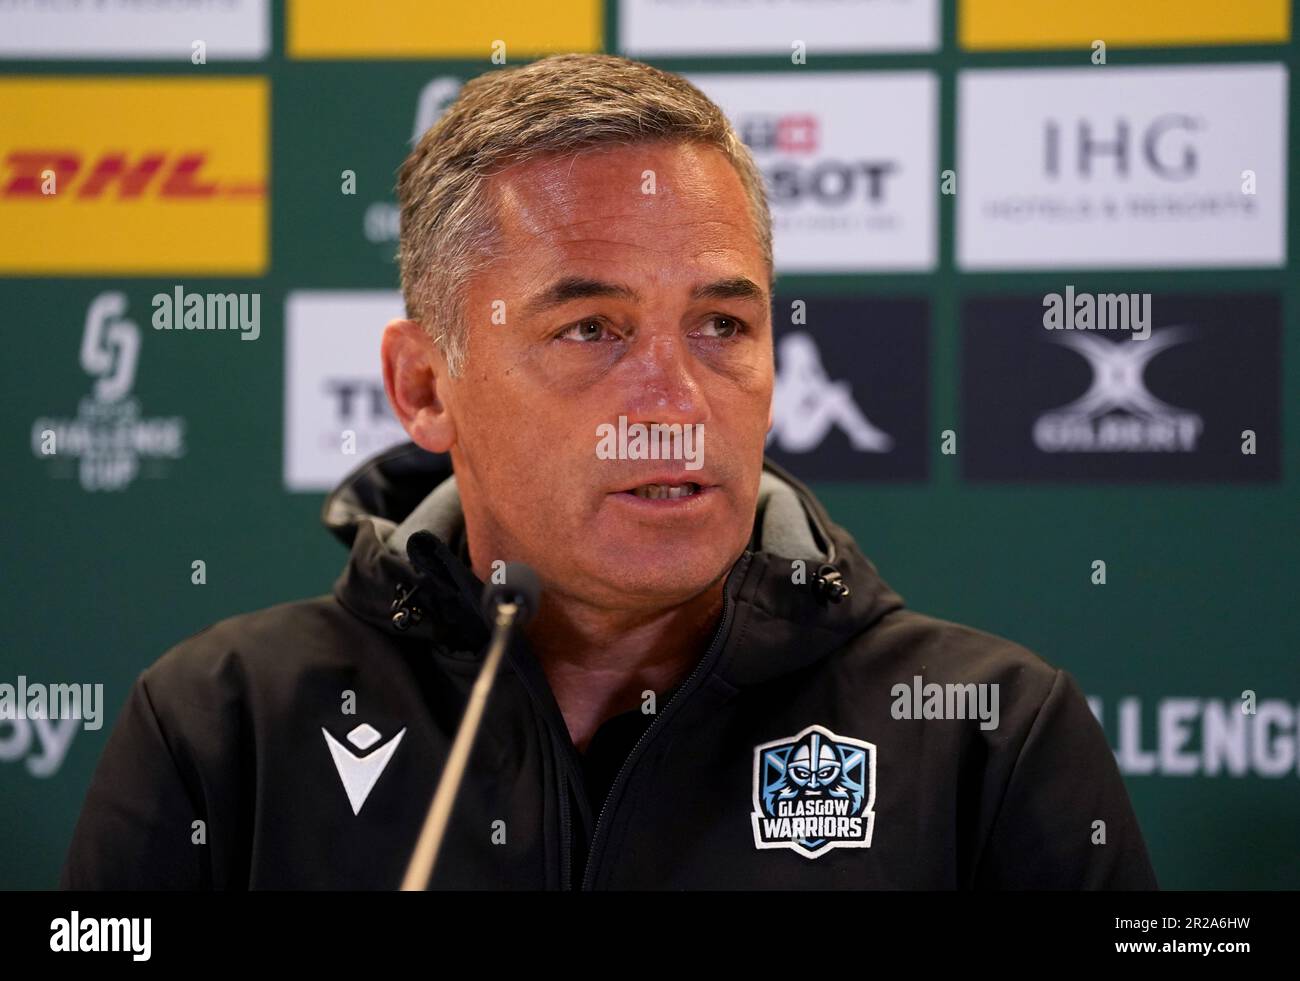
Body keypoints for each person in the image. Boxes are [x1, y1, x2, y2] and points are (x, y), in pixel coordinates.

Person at [60, 53, 1157, 890]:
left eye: (722, 324)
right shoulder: (221, 728)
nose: (675, 402)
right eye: (591, 329)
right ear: (425, 389)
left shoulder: (989, 734)